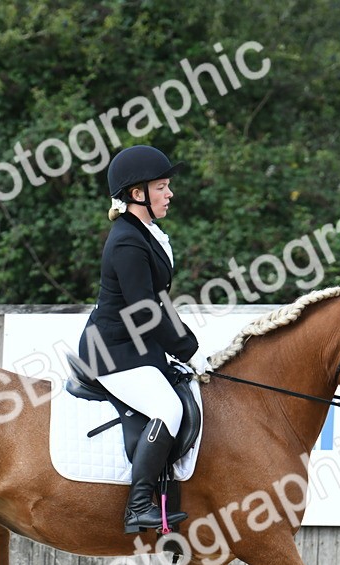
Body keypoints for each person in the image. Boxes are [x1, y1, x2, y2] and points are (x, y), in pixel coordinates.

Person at [77, 145, 200, 533]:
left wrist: (187, 345)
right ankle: (138, 505)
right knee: (169, 408)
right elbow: (144, 309)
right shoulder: (127, 240)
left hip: (136, 347)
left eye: (167, 186)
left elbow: (159, 301)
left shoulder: (146, 233)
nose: (169, 194)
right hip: (110, 351)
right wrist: (187, 347)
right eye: (161, 187)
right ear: (137, 194)